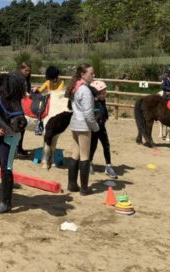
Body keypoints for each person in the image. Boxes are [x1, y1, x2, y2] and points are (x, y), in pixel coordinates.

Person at [65, 63, 99, 196]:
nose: (93, 75)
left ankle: (72, 184)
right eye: (91, 73)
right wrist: (95, 127)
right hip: (83, 125)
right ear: (83, 75)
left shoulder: (76, 87)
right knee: (85, 156)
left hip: (74, 123)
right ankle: (84, 189)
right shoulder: (85, 90)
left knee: (75, 154)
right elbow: (89, 114)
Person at [0, 88, 22, 214]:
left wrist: (6, 129)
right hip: (2, 138)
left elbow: (21, 122)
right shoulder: (3, 102)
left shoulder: (16, 105)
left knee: (6, 168)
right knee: (4, 167)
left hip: (11, 138)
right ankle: (5, 202)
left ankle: (6, 203)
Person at [88, 80, 118, 179]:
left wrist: (104, 119)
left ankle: (108, 166)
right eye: (102, 92)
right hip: (93, 128)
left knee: (106, 145)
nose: (105, 94)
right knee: (93, 145)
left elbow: (103, 112)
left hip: (101, 126)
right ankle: (89, 163)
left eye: (105, 91)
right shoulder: (91, 101)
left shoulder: (102, 100)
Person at [31, 65, 65, 135]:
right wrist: (36, 89)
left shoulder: (61, 82)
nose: (51, 80)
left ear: (56, 77)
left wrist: (50, 92)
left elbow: (58, 92)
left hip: (56, 102)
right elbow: (41, 89)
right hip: (49, 101)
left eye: (52, 79)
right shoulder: (48, 82)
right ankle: (40, 123)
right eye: (50, 79)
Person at [16, 62, 31, 157]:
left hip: (24, 106)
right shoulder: (18, 80)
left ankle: (19, 148)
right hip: (17, 106)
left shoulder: (26, 79)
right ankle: (17, 149)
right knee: (17, 128)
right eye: (26, 70)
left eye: (29, 70)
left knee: (22, 128)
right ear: (21, 69)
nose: (28, 72)